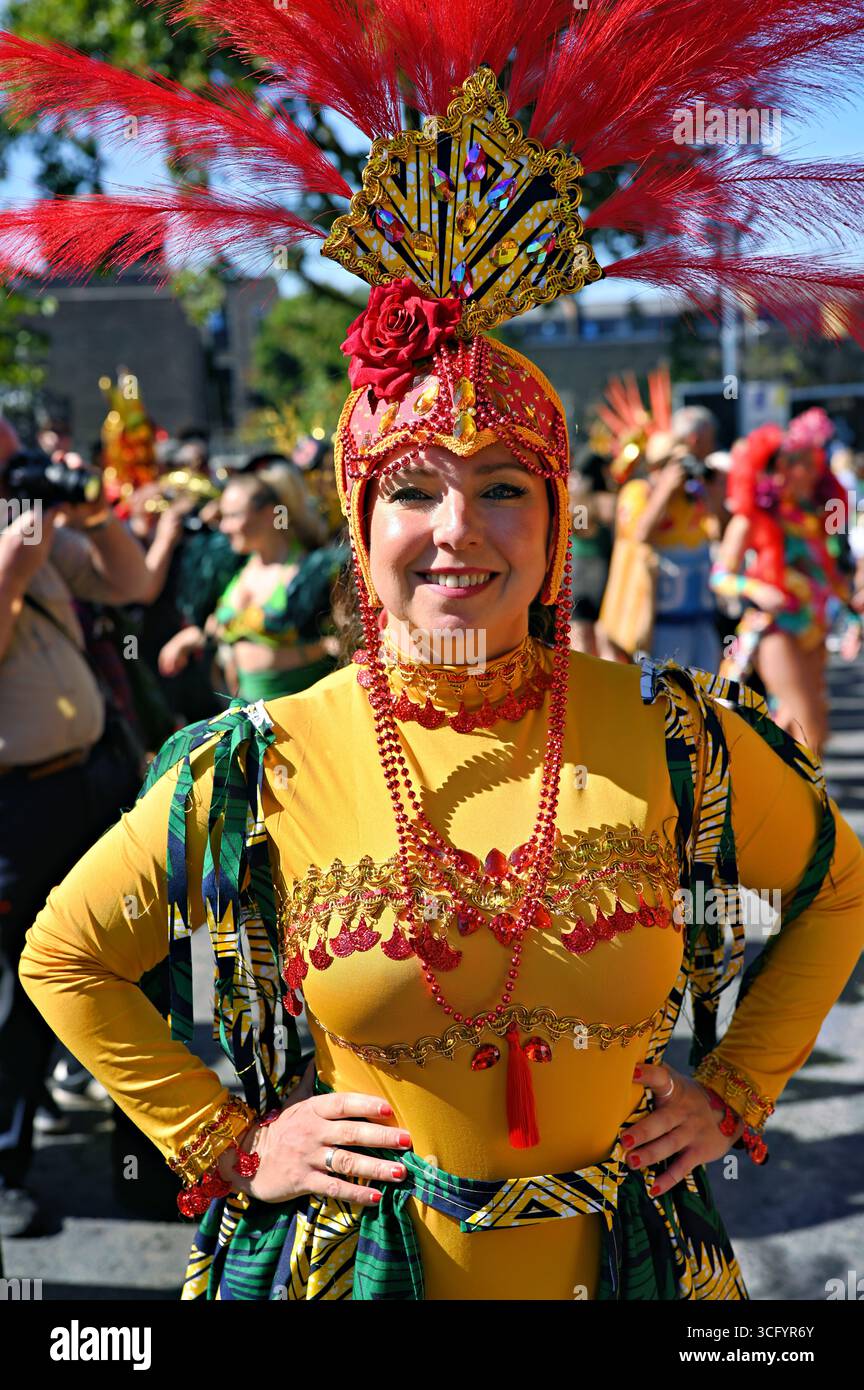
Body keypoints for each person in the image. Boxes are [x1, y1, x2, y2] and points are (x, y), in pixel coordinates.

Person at [8, 2, 864, 1303]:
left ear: (560, 515)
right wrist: (230, 1141)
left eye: (504, 483)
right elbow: (63, 955)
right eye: (411, 489)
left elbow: (840, 890)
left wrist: (738, 1084)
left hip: (638, 1272)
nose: (457, 526)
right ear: (358, 526)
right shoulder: (258, 760)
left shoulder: (679, 729)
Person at [0, 423, 150, 1238]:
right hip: (13, 807)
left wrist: (91, 515)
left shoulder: (38, 540)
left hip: (85, 785)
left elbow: (129, 587)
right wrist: (15, 558)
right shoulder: (16, 551)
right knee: (12, 989)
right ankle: (4, 1168)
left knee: (115, 961)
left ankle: (141, 1157)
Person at [712, 409, 863, 755]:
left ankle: (770, 796)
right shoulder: (750, 518)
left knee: (795, 725)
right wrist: (756, 589)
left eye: (813, 464)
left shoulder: (815, 516)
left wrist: (852, 612)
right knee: (813, 728)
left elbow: (829, 576)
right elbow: (720, 576)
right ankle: (808, 805)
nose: (807, 472)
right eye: (797, 463)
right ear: (777, 467)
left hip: (815, 629)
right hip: (775, 631)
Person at [158, 463, 346, 703]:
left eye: (234, 515)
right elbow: (221, 625)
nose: (224, 527)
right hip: (244, 710)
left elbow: (346, 642)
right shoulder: (233, 570)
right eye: (223, 516)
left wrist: (317, 649)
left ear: (270, 513)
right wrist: (189, 638)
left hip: (301, 710)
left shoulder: (313, 572)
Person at [612, 411, 725, 671]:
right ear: (656, 466)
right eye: (672, 464)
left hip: (701, 617)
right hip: (661, 621)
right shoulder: (638, 492)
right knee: (667, 694)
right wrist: (664, 490)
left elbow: (718, 532)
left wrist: (712, 493)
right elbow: (641, 535)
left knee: (706, 695)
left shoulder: (692, 496)